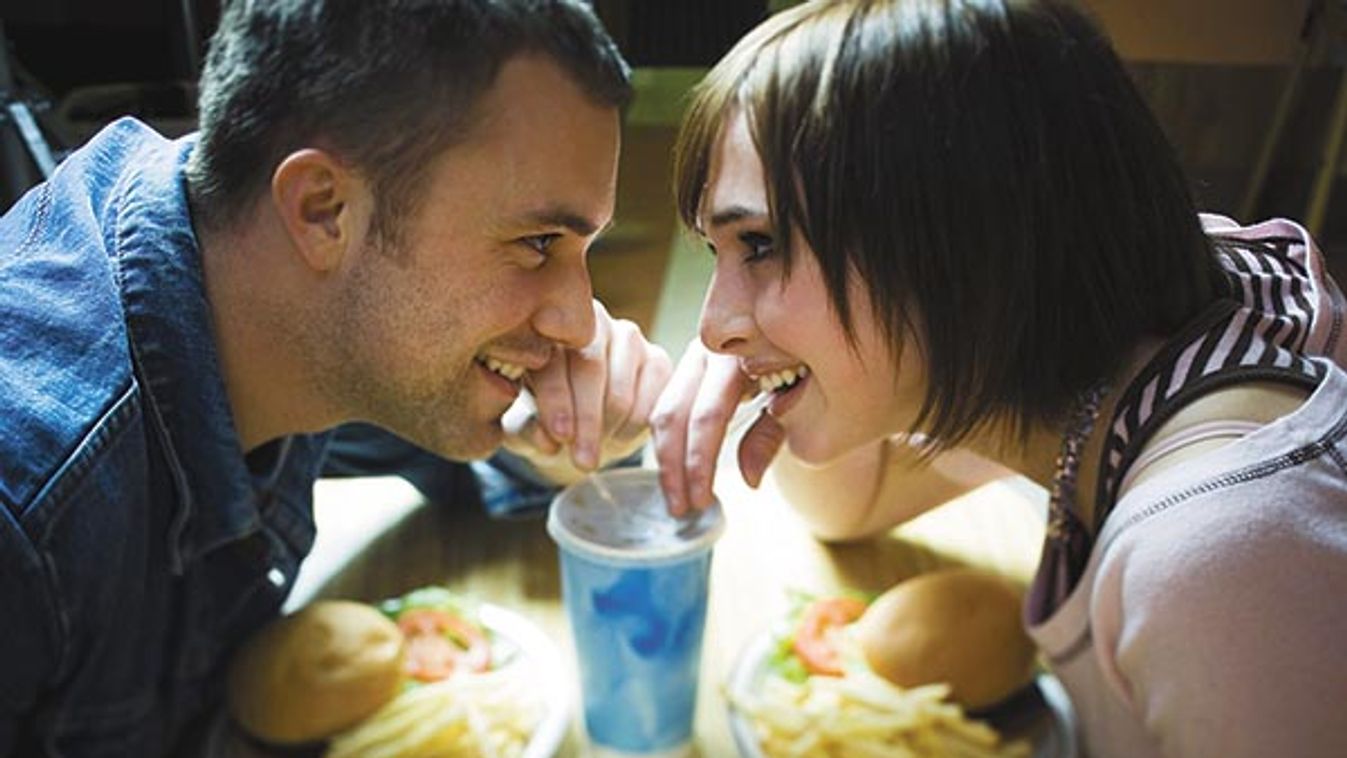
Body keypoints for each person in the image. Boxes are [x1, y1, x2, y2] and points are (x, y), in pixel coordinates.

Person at [650, 1, 1347, 756]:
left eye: (759, 243)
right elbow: (847, 509)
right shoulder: (1075, 351)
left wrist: (791, 352)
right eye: (717, 255)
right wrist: (784, 375)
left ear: (962, 242)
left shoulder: (1222, 565)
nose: (713, 326)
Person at [0, 0, 671, 754]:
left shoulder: (274, 283)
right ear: (322, 210)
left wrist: (550, 444)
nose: (580, 322)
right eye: (537, 242)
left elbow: (460, 465)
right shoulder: (28, 505)